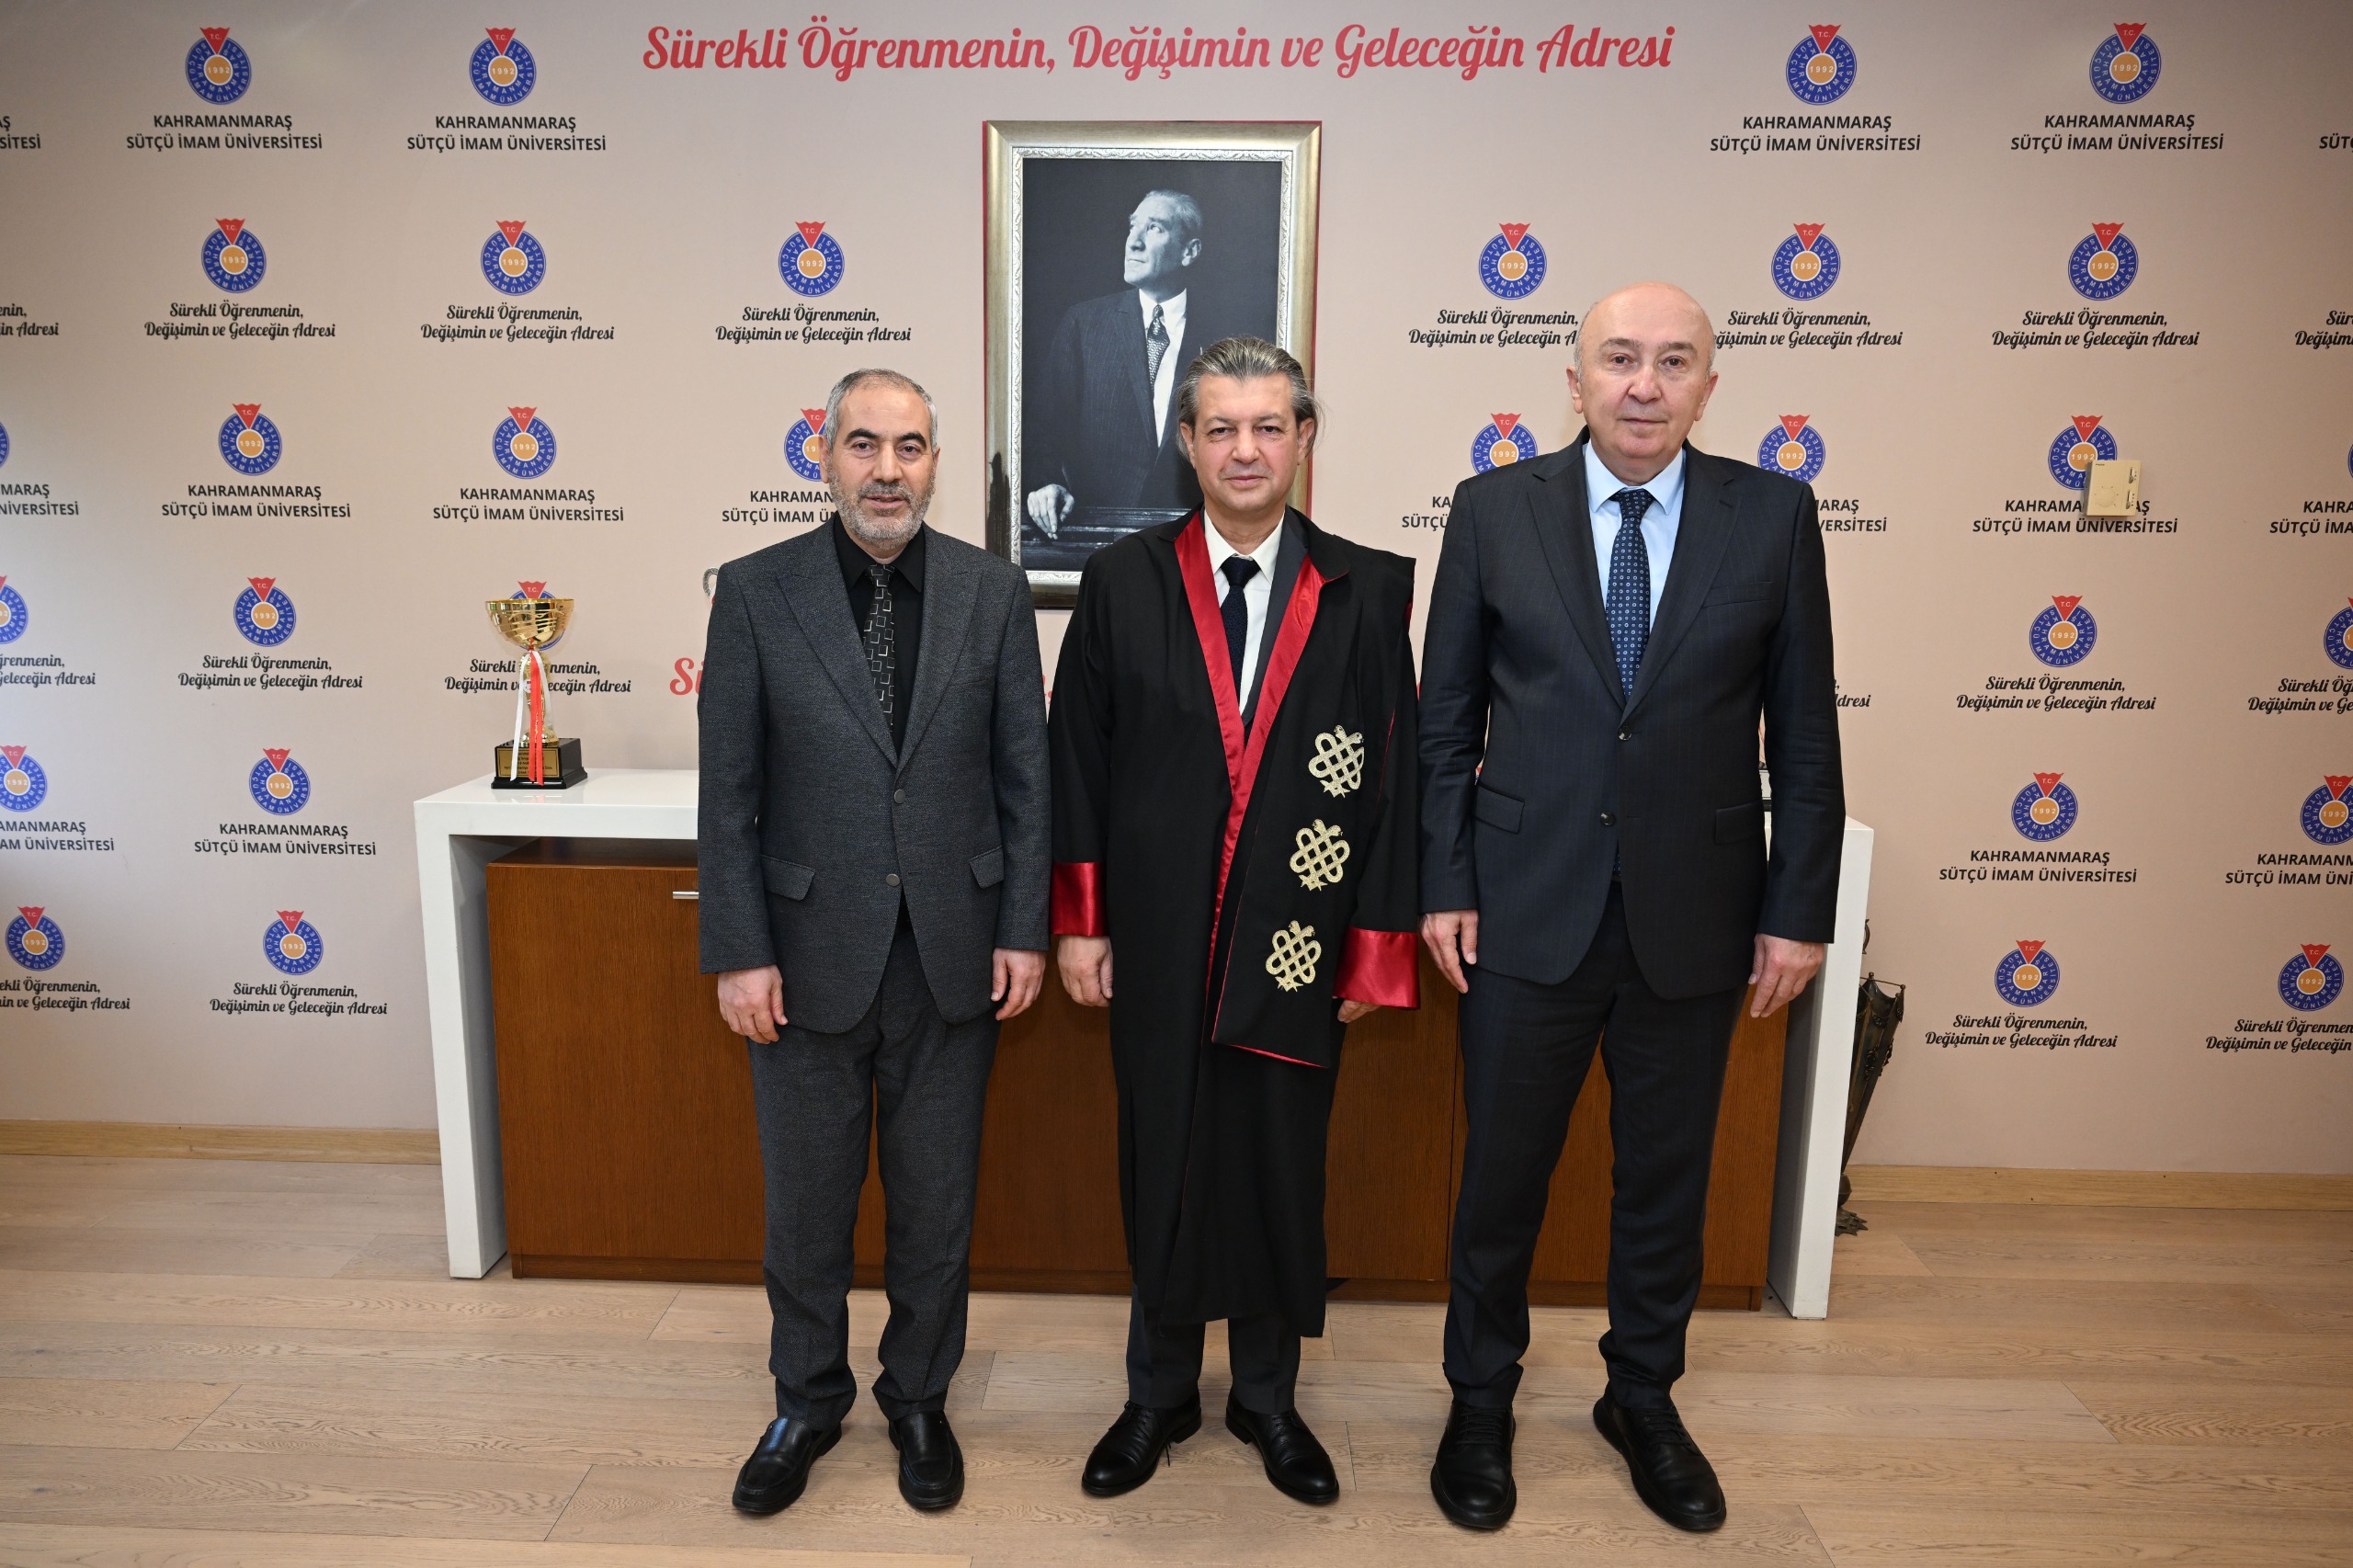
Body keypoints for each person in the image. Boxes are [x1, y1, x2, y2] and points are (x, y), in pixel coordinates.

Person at [1418, 283, 1845, 1534]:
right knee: (1501, 1177)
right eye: (1619, 358)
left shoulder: (1774, 515)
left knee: (1666, 1181)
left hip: (1694, 915)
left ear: (1710, 385)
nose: (1643, 384)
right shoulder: (1495, 509)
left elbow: (1803, 735)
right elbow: (1445, 725)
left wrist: (1798, 907)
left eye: (1672, 361)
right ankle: (1480, 1397)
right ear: (1576, 379)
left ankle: (1642, 1395)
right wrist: (1445, 881)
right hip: (1521, 908)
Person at [1049, 336, 1420, 1506]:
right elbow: (1078, 760)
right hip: (1157, 940)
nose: (1245, 449)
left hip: (1297, 945)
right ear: (1187, 442)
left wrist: (1373, 948)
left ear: (1304, 438)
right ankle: (1156, 1393)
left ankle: (1267, 1397)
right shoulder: (1122, 580)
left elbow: (1397, 780)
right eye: (1221, 428)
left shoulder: (1366, 590)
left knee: (1275, 1165)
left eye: (1268, 426)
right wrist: (1081, 921)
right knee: (1160, 1157)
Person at [697, 368, 1050, 1517]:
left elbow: (1025, 778)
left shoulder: (995, 592)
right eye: (863, 444)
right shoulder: (756, 591)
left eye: (908, 446)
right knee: (805, 1208)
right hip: (801, 958)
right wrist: (738, 948)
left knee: (936, 1206)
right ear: (825, 455)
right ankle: (805, 1399)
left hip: (954, 950)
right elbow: (729, 791)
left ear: (935, 462)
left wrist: (1024, 929)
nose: (886, 469)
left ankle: (918, 1399)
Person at [1025, 189, 1231, 542]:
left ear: (1189, 251)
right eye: (1132, 226)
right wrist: (1048, 483)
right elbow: (1044, 428)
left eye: (1154, 228)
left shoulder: (1226, 334)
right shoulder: (1084, 324)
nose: (1133, 242)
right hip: (1093, 535)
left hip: (1194, 537)